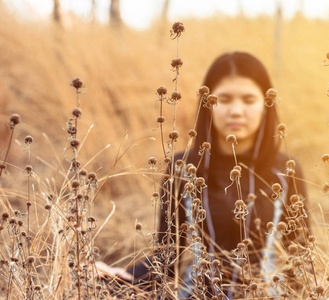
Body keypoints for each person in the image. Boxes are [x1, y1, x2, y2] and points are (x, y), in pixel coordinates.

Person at [97, 52, 308, 298]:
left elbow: (301, 261)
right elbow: (167, 258)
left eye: (249, 100)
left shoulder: (286, 170)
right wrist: (115, 278)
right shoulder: (184, 167)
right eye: (225, 99)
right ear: (208, 102)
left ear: (265, 105)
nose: (236, 111)